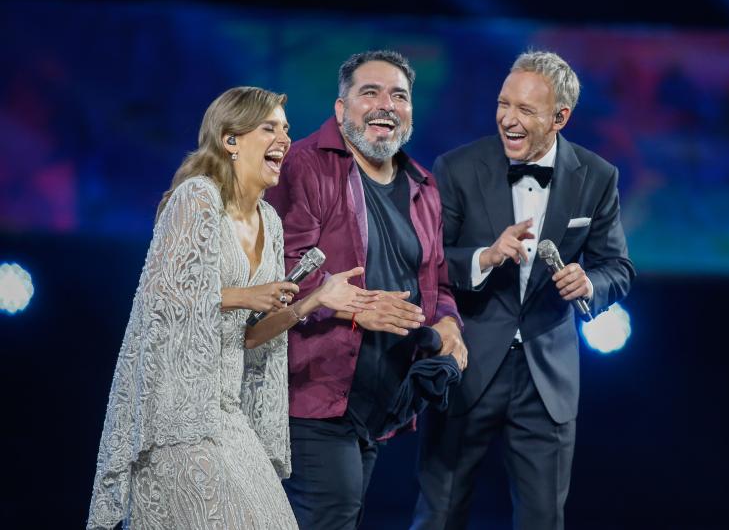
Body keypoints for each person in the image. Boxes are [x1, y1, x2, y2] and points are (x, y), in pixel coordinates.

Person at [87, 86, 377, 529]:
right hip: (178, 413)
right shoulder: (198, 197)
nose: (284, 138)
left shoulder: (271, 221)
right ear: (231, 140)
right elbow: (161, 298)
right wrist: (244, 296)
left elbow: (249, 335)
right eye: (269, 128)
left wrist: (312, 301)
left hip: (227, 412)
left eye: (286, 129)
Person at [412, 50, 636, 529]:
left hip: (547, 376)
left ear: (560, 118)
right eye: (503, 104)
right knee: (440, 513)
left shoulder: (597, 177)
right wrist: (484, 257)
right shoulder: (457, 168)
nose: (508, 120)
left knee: (542, 519)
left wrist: (588, 282)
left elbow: (617, 268)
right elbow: (427, 263)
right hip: (468, 364)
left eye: (525, 111)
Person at [265, 50, 467, 530]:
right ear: (341, 109)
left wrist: (449, 324)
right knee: (332, 516)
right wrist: (357, 306)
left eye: (399, 95)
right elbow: (280, 270)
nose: (386, 105)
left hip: (380, 401)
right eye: (370, 92)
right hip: (312, 393)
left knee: (341, 516)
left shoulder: (424, 186)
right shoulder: (305, 166)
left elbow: (437, 281)